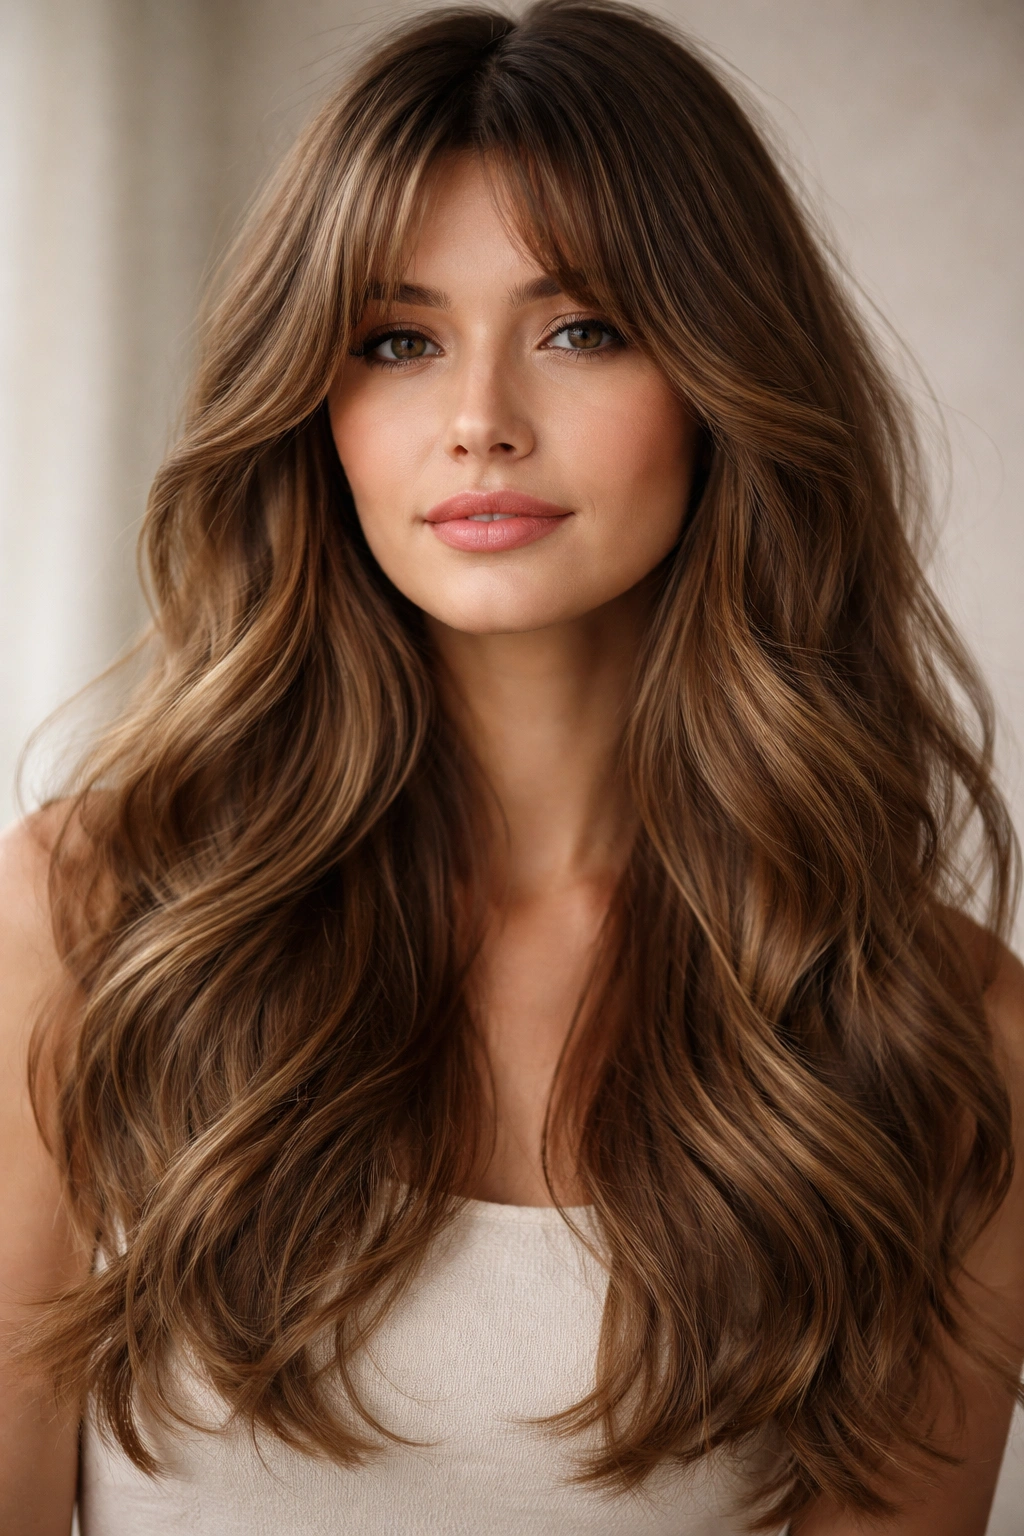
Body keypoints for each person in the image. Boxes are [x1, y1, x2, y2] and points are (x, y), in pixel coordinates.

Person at [1, 3, 1023, 1532]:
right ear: (313, 408)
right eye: (398, 342)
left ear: (723, 384)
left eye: (583, 329)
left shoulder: (941, 1037)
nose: (480, 422)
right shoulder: (80, 925)